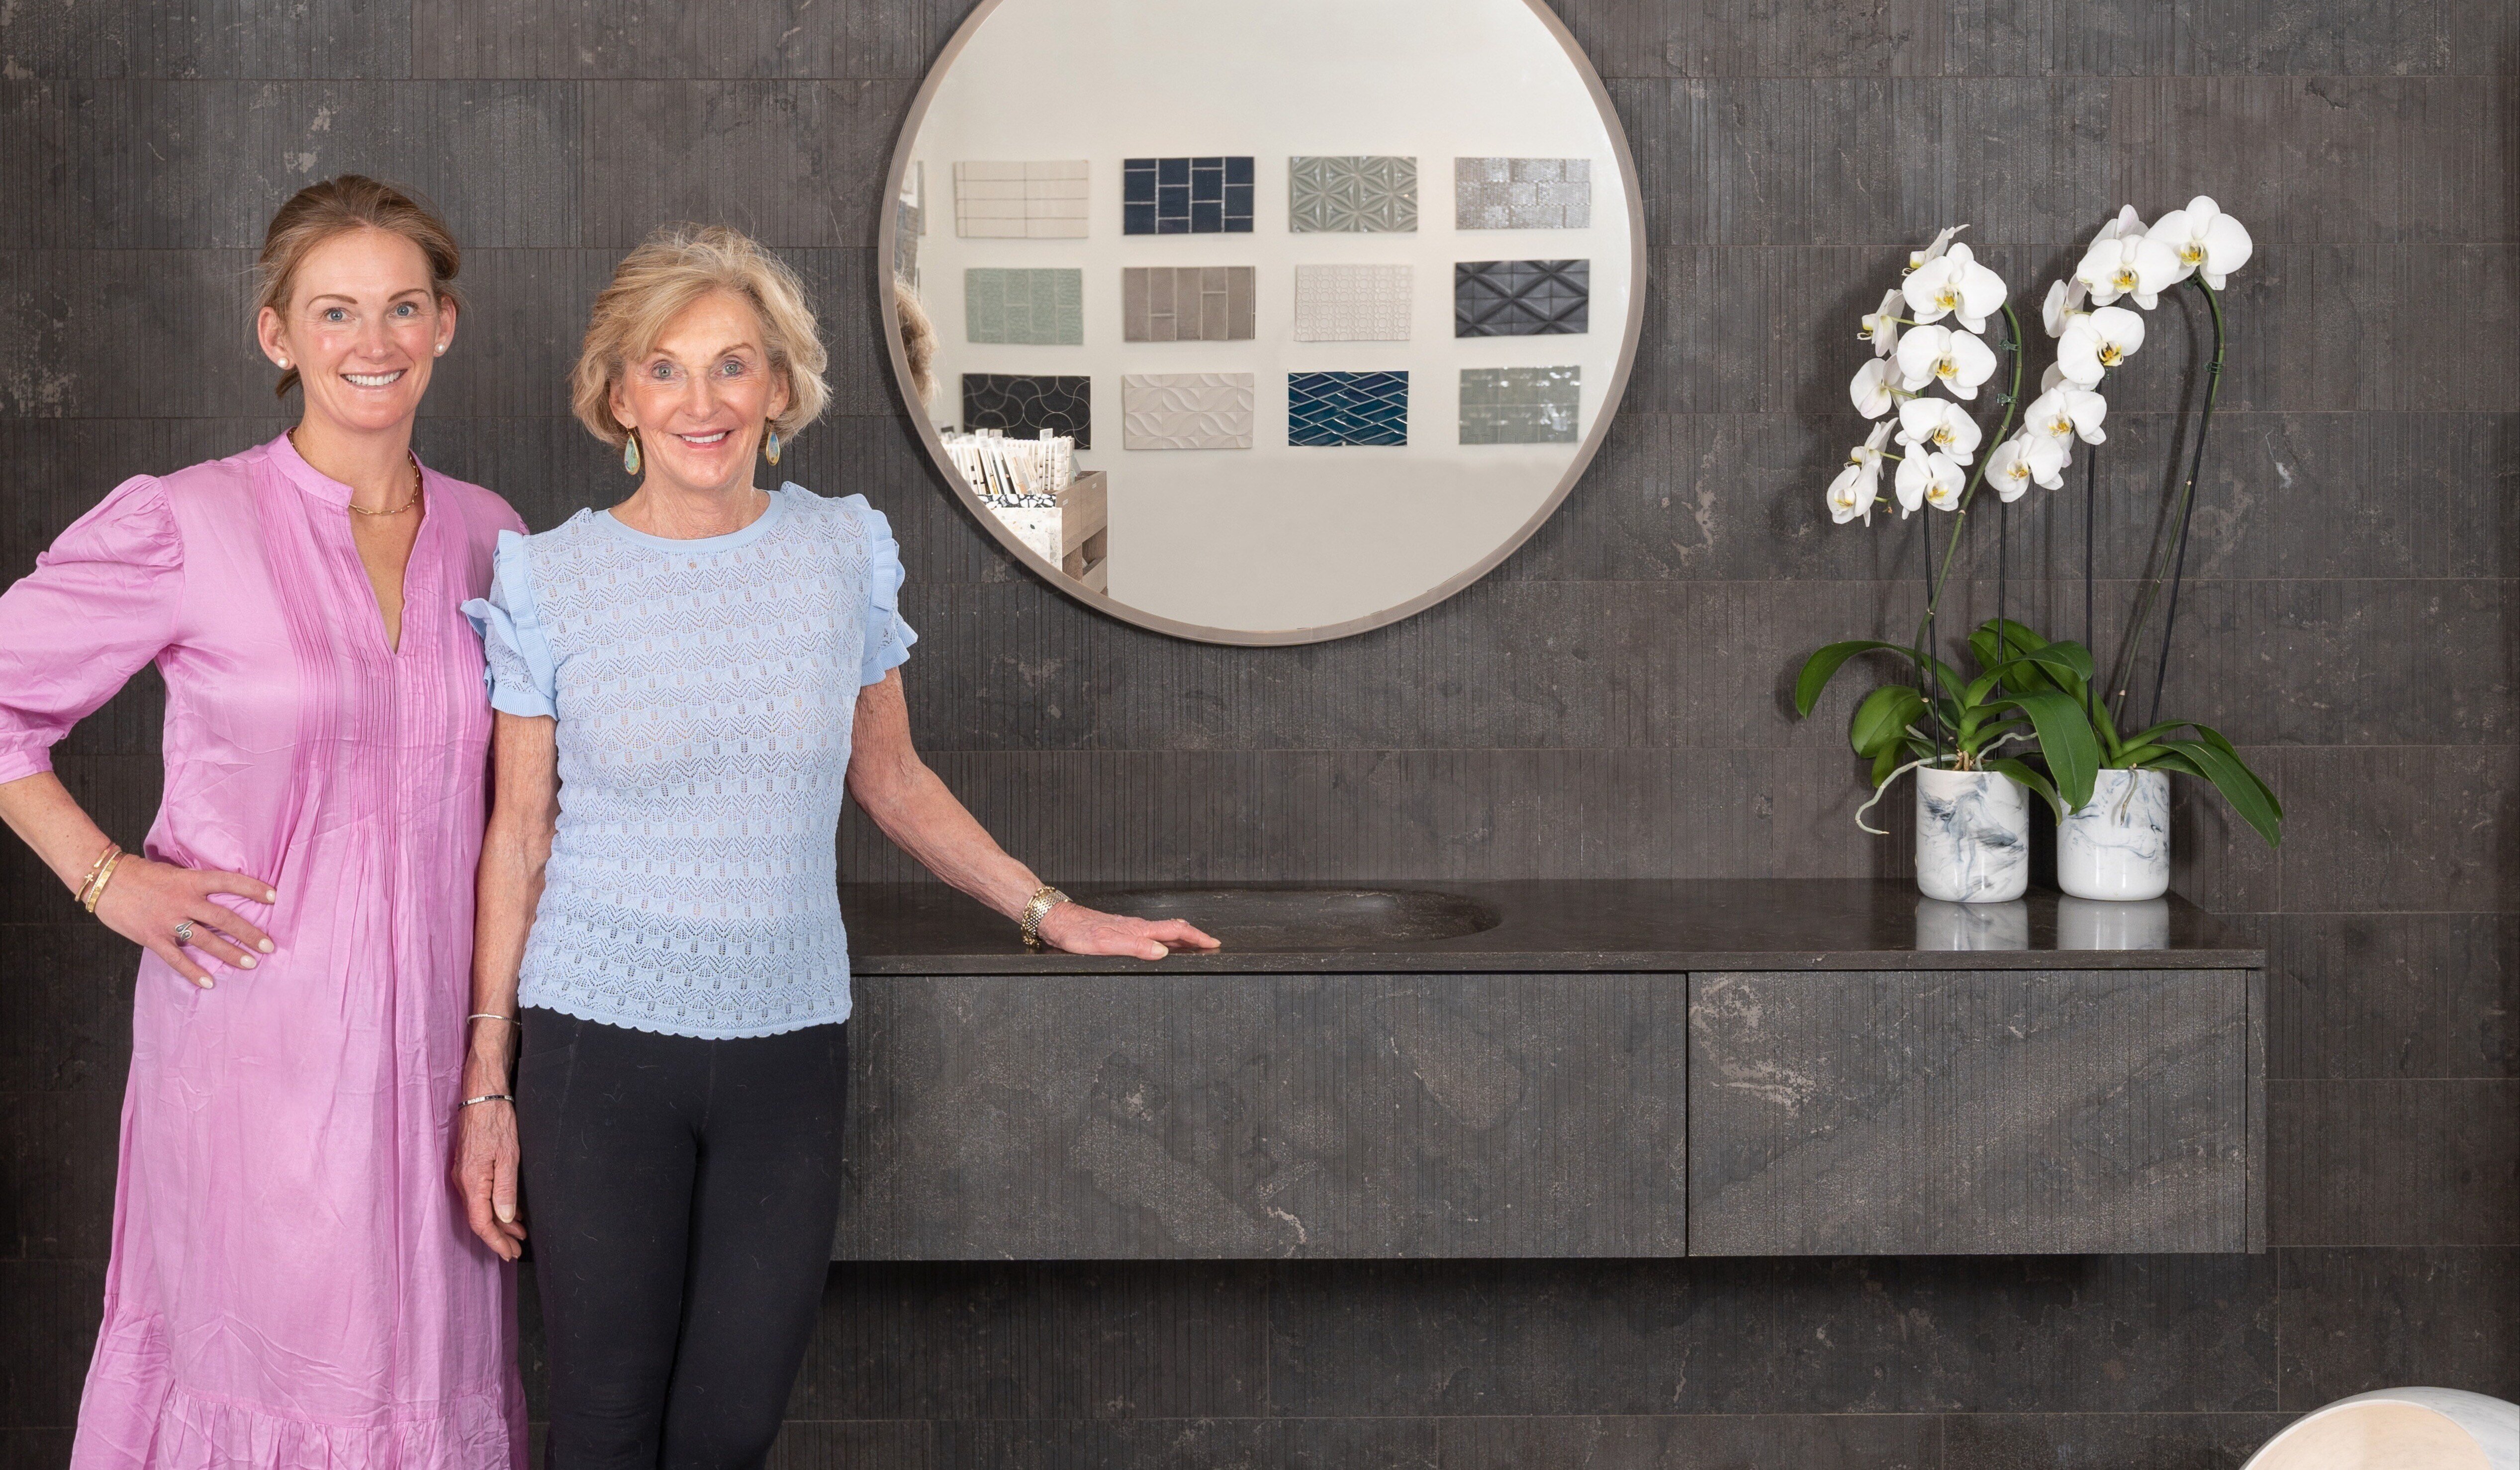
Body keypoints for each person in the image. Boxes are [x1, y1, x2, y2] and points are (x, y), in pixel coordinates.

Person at [455, 223, 1215, 1470]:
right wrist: (488, 1081)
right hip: (597, 1047)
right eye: (664, 367)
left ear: (779, 389)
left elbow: (893, 777)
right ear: (616, 395)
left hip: (785, 1047)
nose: (701, 400)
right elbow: (519, 831)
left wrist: (1054, 910)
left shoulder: (837, 550)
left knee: (729, 1426)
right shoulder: (548, 576)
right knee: (600, 1419)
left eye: (732, 364)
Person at [0, 176, 526, 1468]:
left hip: (446, 1062)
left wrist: (499, 1065)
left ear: (445, 323)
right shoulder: (192, 522)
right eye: (336, 310)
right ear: (277, 334)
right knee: (266, 1377)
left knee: (429, 1377)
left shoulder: (496, 539)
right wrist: (103, 875)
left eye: (403, 306)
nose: (375, 340)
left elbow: (525, 812)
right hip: (254, 1056)